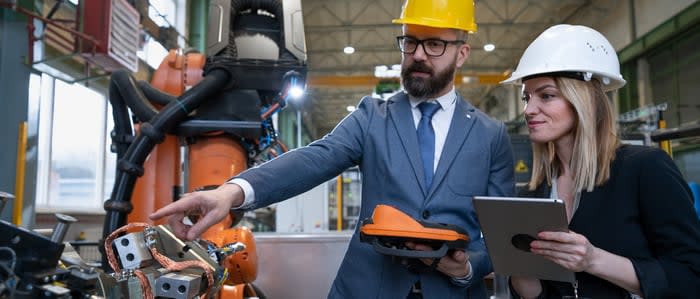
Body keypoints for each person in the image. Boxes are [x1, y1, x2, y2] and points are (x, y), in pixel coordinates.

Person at [150, 0, 515, 298]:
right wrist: (231, 193)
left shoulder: (490, 135)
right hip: (367, 288)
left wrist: (468, 267)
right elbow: (316, 158)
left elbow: (498, 234)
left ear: (462, 52)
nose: (419, 55)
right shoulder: (373, 115)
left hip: (450, 291)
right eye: (410, 41)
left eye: (434, 44)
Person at [501, 24, 700, 298]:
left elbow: (690, 277)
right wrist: (519, 268)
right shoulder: (536, 192)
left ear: (584, 100)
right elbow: (541, 293)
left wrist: (594, 260)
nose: (529, 110)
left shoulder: (645, 169)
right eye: (526, 97)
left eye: (546, 95)